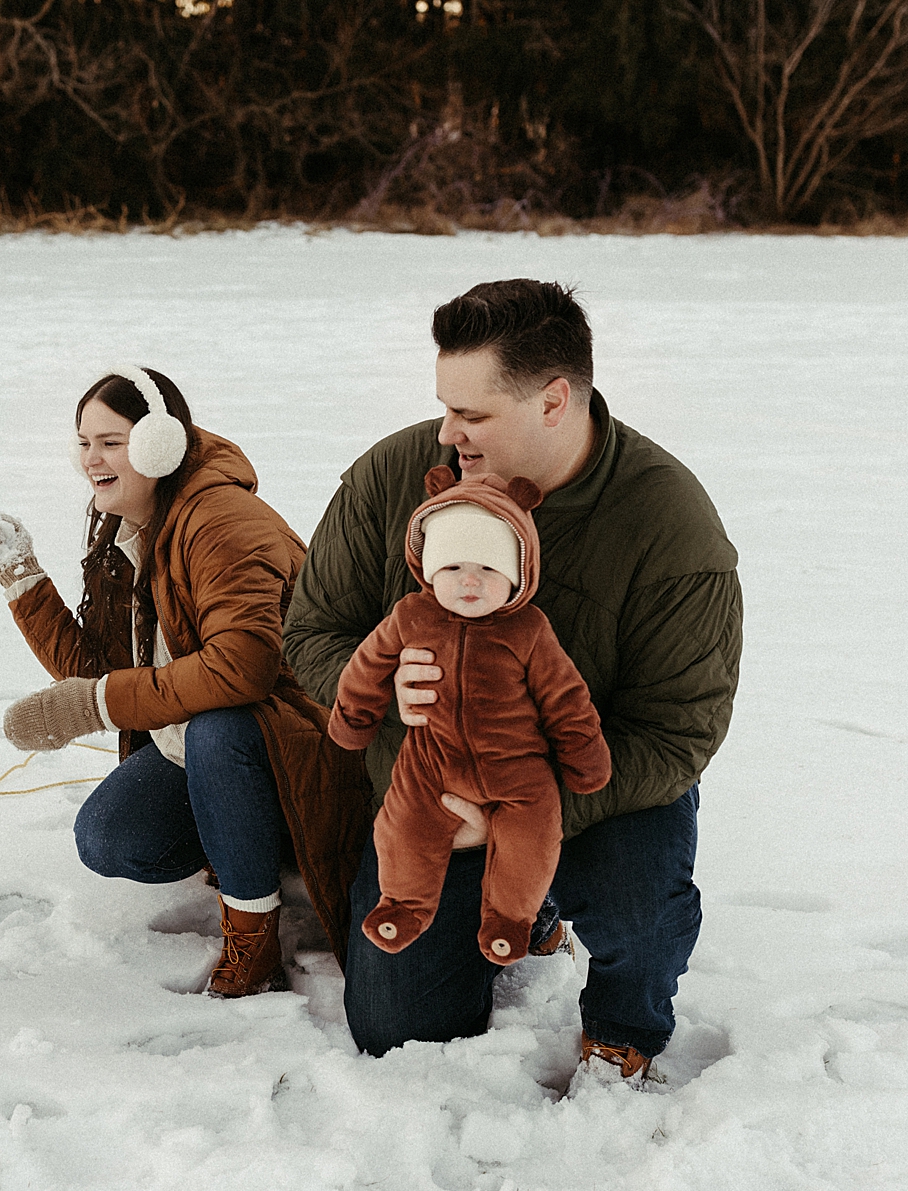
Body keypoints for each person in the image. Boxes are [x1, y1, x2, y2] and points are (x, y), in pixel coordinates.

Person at [283, 281, 742, 1084]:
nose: (446, 430)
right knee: (397, 1032)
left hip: (597, 788)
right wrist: (383, 690)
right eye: (444, 406)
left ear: (555, 401)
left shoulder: (669, 523)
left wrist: (523, 813)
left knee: (640, 912)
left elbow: (678, 735)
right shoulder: (398, 476)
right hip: (435, 793)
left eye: (474, 414)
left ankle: (624, 1023)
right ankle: (519, 913)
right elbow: (311, 631)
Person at [0, 366, 369, 996]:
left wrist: (95, 705)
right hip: (207, 745)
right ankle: (248, 839)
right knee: (110, 839)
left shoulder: (223, 521)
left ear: (161, 441)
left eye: (111, 441)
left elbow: (245, 666)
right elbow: (104, 674)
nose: (91, 459)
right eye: (83, 442)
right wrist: (26, 587)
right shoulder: (125, 525)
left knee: (220, 725)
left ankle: (254, 929)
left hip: (302, 741)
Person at [330, 470, 610, 967]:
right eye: (453, 564)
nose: (470, 580)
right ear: (429, 568)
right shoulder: (411, 616)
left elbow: (565, 696)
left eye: (488, 566)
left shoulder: (528, 629)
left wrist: (583, 756)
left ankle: (511, 918)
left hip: (517, 768)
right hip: (431, 761)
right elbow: (366, 667)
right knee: (403, 825)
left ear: (518, 574)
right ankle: (403, 904)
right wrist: (355, 715)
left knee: (533, 837)